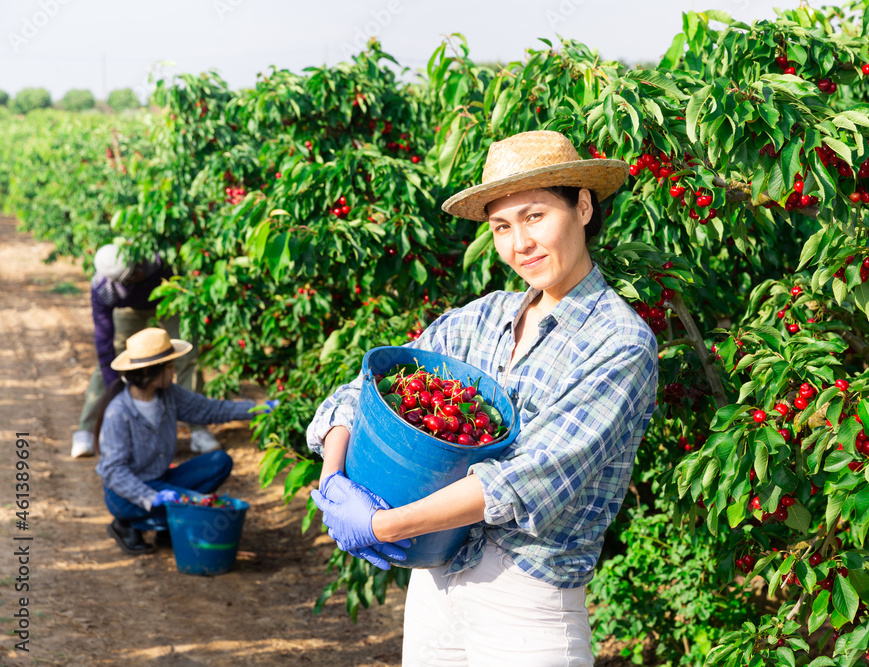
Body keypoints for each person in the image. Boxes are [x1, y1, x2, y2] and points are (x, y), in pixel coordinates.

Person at [306, 130, 659, 665]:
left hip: (527, 603)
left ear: (583, 206)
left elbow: (526, 479)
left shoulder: (619, 343)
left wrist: (380, 526)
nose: (520, 243)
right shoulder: (484, 317)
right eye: (502, 226)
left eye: (535, 216)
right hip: (436, 583)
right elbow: (362, 392)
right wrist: (335, 479)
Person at [94, 327, 274, 555]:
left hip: (161, 479)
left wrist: (259, 409)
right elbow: (112, 471)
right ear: (151, 372)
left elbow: (210, 410)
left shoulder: (170, 395)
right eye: (169, 366)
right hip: (126, 493)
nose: (174, 370)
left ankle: (166, 523)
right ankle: (128, 524)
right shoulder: (118, 413)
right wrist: (151, 497)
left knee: (219, 462)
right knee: (188, 503)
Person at [72, 242, 219, 458]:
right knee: (113, 359)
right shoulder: (103, 288)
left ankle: (198, 431)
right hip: (129, 308)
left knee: (187, 357)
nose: (140, 272)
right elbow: (104, 342)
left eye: (138, 268)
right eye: (133, 275)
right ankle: (86, 431)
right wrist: (117, 391)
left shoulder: (152, 257)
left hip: (167, 300)